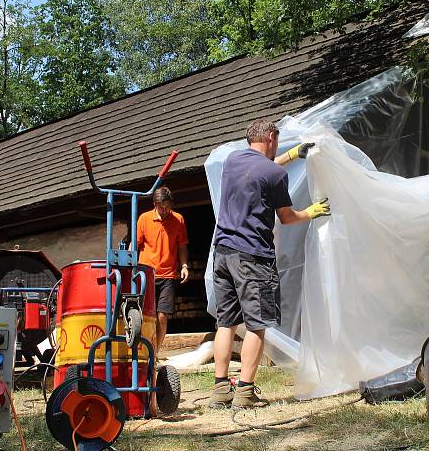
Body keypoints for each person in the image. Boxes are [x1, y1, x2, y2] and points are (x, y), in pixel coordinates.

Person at [209, 119, 331, 409]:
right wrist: (311, 212)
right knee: (256, 324)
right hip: (253, 257)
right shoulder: (274, 173)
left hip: (223, 252)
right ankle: (245, 392)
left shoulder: (233, 160)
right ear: (272, 136)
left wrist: (291, 155)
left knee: (226, 322)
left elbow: (260, 170)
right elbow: (287, 217)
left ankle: (220, 390)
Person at [136, 186, 189, 355]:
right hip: (146, 274)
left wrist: (185, 265)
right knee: (145, 315)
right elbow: (134, 245)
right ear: (155, 204)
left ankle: (155, 353)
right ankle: (143, 350)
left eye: (168, 207)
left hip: (168, 275)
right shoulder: (144, 219)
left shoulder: (178, 219)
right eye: (161, 207)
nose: (165, 211)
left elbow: (182, 245)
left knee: (162, 316)